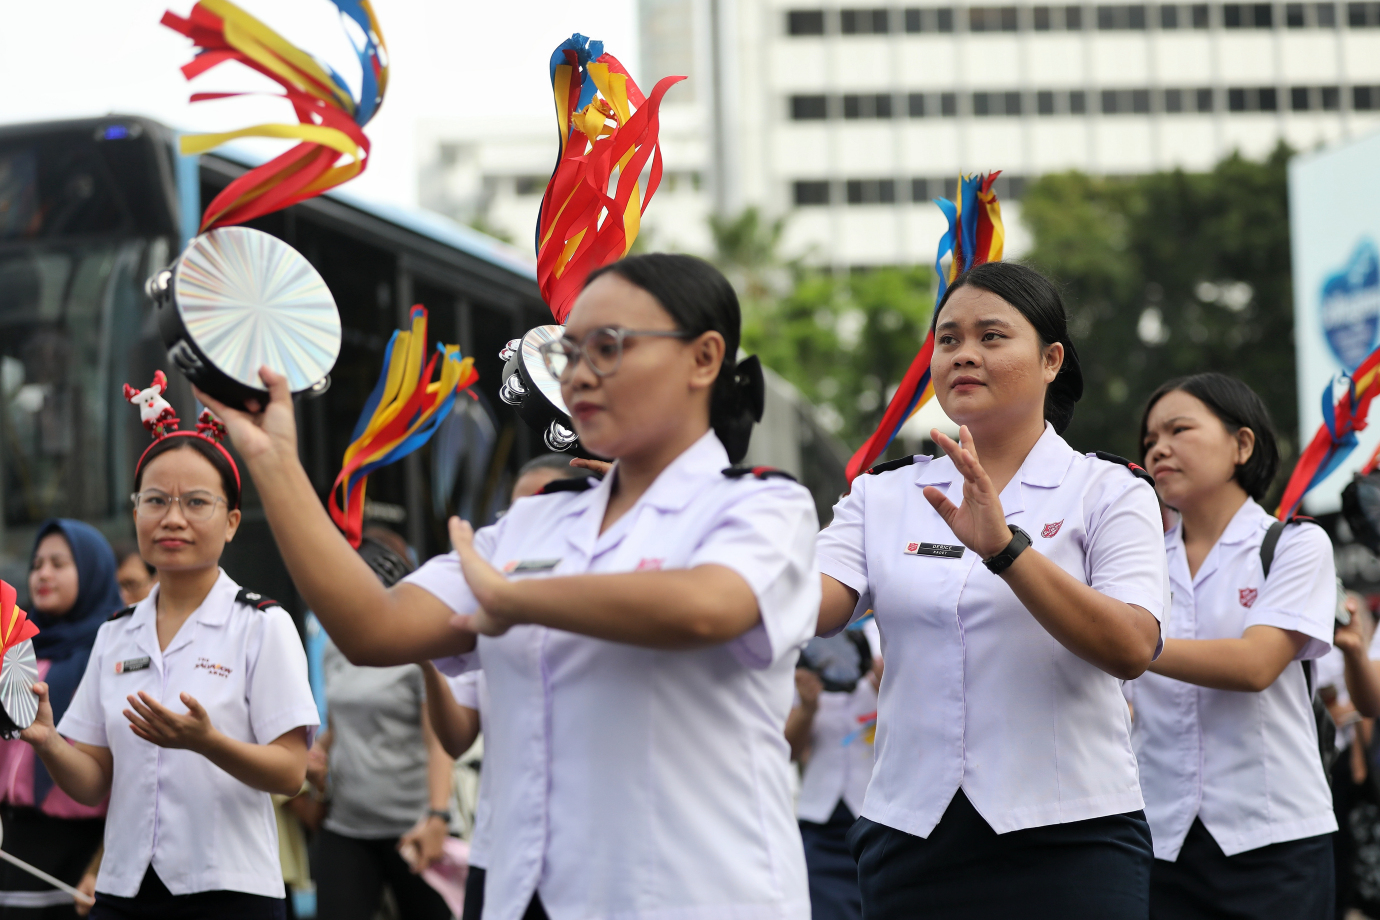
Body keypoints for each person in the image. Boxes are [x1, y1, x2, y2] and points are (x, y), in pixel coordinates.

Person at [199, 252, 821, 920]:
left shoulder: (762, 506)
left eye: (608, 348)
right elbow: (375, 629)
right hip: (528, 898)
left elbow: (708, 606)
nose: (579, 374)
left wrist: (514, 599)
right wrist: (274, 463)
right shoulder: (530, 525)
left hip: (696, 897)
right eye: (571, 352)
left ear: (704, 358)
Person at [815, 260, 1166, 920]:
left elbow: (1130, 646)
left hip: (1071, 840)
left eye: (991, 337)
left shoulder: (1109, 491)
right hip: (910, 834)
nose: (964, 355)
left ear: (1051, 360)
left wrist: (1006, 550)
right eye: (947, 340)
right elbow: (813, 606)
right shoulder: (882, 494)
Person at [18, 405, 319, 920]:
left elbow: (290, 772)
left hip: (230, 891)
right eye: (155, 500)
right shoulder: (114, 634)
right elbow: (92, 781)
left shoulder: (262, 626)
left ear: (231, 522)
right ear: (136, 514)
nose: (172, 517)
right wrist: (48, 743)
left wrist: (208, 742)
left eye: (196, 502)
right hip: (123, 889)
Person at [1131, 372, 1337, 919]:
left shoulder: (1295, 544)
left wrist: (1127, 644)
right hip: (1162, 840)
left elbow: (1255, 664)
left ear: (1242, 444)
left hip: (1274, 839)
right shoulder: (1137, 565)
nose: (1159, 449)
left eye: (1179, 429)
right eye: (1150, 440)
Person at [421, 455, 594, 920]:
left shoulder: (611, 598)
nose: (525, 526)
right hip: (499, 854)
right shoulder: (487, 621)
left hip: (591, 860)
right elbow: (456, 737)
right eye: (512, 513)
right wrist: (423, 656)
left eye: (542, 508)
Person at [312, 526, 454, 920]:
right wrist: (315, 753)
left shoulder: (419, 646)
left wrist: (438, 816)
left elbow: (439, 742)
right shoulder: (335, 647)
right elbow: (340, 725)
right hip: (348, 825)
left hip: (413, 827)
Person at [0, 521, 120, 919]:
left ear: (91, 572)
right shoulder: (17, 647)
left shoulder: (113, 651)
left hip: (82, 852)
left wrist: (101, 863)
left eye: (58, 563)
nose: (43, 574)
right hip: (14, 839)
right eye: (36, 564)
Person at [785, 623, 880, 920]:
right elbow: (785, 752)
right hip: (822, 823)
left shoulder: (890, 635)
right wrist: (808, 708)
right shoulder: (800, 643)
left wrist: (893, 690)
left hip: (883, 819)